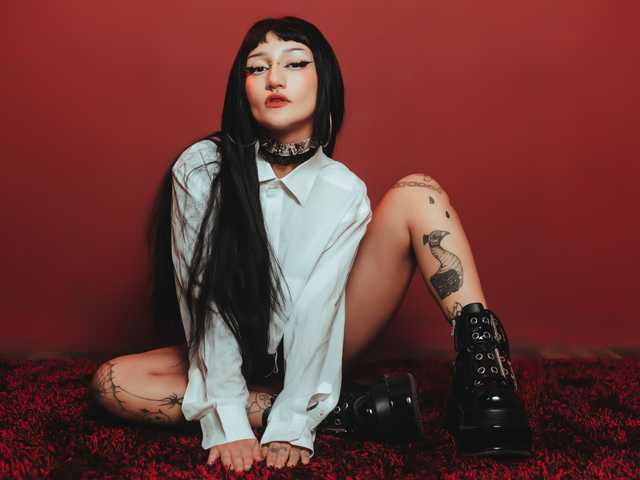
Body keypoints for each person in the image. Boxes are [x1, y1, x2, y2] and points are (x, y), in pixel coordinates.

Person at [89, 16, 532, 474]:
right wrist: (228, 420)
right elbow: (204, 299)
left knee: (419, 193)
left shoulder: (344, 190)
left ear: (325, 82)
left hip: (317, 342)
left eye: (295, 63)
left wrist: (293, 422)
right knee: (114, 383)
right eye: (257, 68)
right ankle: (351, 410)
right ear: (241, 89)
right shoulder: (203, 168)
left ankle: (488, 376)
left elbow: (318, 308)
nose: (274, 78)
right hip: (234, 350)